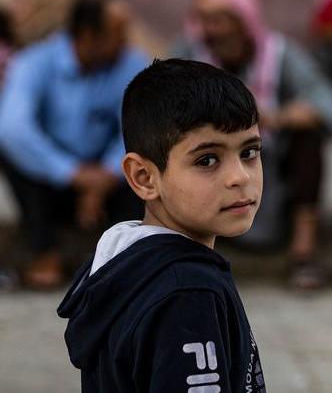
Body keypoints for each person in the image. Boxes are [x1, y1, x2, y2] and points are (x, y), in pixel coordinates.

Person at [57, 59, 267, 392]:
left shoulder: (126, 261)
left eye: (249, 152)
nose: (239, 177)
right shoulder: (188, 292)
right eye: (207, 160)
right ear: (144, 177)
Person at [173, 0, 332, 289]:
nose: (210, 30)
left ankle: (303, 251)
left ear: (243, 20)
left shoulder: (279, 53)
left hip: (269, 165)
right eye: (203, 20)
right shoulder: (188, 53)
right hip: (211, 167)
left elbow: (327, 103)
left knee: (308, 138)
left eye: (219, 20)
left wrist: (278, 117)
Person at [0, 0, 148, 289]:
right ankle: (44, 250)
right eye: (118, 32)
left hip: (110, 178)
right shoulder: (35, 62)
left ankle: (125, 254)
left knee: (146, 158)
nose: (126, 40)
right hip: (51, 176)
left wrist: (105, 174)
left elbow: (143, 124)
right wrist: (72, 173)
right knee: (13, 154)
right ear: (89, 35)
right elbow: (13, 129)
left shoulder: (132, 64)